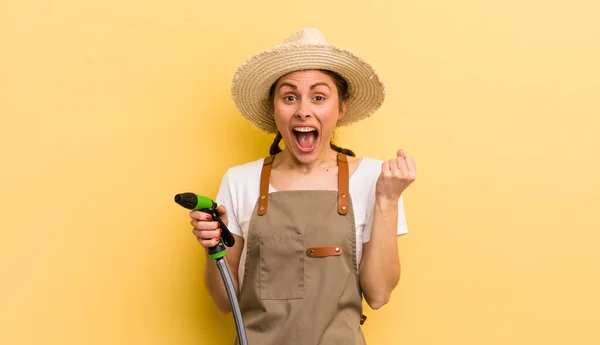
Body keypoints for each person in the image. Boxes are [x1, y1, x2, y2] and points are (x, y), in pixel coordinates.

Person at [189, 28, 416, 345]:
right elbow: (225, 303)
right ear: (273, 108)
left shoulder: (376, 179)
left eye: (319, 97)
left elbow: (378, 295)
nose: (303, 110)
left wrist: (388, 200)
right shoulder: (239, 180)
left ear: (341, 107)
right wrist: (213, 247)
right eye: (290, 97)